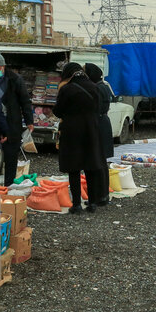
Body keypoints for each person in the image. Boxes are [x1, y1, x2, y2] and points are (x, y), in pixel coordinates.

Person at [52, 62, 103, 213]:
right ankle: (92, 203)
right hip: (91, 131)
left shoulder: (67, 89)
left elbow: (58, 111)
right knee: (90, 167)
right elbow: (99, 109)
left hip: (72, 132)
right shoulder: (94, 87)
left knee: (74, 168)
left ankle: (77, 205)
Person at [0, 50, 34, 187]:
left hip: (12, 122)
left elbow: (25, 101)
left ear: (3, 67)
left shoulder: (15, 79)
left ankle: (9, 183)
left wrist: (29, 120)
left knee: (11, 154)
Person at [84, 63, 114, 206]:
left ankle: (99, 195)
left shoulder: (97, 88)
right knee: (102, 162)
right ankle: (103, 195)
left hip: (98, 125)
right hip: (104, 124)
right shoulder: (104, 86)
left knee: (97, 161)